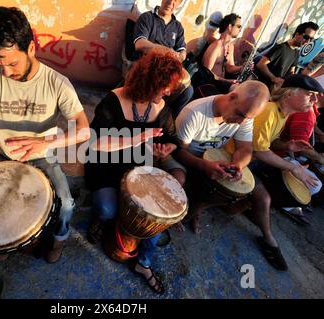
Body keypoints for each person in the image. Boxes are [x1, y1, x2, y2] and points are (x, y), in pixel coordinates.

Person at [0, 7, 90, 263]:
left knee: (66, 204)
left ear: (31, 47)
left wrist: (45, 141)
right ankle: (5, 243)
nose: (6, 72)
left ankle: (58, 242)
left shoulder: (56, 82)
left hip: (43, 157)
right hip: (5, 155)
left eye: (12, 63)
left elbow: (83, 128)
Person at [84, 49, 186, 294]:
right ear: (150, 83)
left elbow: (172, 138)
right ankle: (105, 220)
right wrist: (137, 138)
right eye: (165, 87)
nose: (169, 92)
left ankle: (144, 263)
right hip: (105, 165)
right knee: (107, 210)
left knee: (155, 215)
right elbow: (95, 142)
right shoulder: (114, 100)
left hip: (139, 168)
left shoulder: (160, 107)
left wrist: (166, 148)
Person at [175, 81, 290, 271]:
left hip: (216, 160)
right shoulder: (195, 113)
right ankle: (194, 207)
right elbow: (178, 152)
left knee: (258, 195)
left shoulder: (245, 115)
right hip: (191, 160)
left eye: (246, 118)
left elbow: (245, 148)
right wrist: (204, 165)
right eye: (240, 115)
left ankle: (198, 207)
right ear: (232, 97)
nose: (241, 122)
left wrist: (238, 164)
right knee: (194, 181)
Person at [250, 74, 323, 225]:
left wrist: (287, 145)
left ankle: (250, 204)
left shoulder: (282, 114)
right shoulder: (270, 111)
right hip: (246, 161)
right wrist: (293, 167)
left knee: (309, 183)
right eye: (310, 95)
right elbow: (258, 150)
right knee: (265, 199)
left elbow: (270, 142)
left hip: (254, 161)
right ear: (289, 93)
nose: (315, 100)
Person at [133, 0, 193, 117]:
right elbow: (139, 44)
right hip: (148, 66)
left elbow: (182, 51)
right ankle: (145, 116)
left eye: (176, 1)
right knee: (157, 84)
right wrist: (167, 51)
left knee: (187, 91)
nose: (171, 2)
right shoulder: (147, 18)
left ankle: (166, 120)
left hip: (167, 70)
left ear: (179, 4)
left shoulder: (178, 27)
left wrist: (179, 56)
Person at [256, 22, 319, 91]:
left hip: (272, 91)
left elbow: (291, 72)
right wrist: (273, 78)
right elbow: (261, 64)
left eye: (311, 39)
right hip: (260, 87)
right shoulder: (281, 48)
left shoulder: (296, 53)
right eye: (306, 37)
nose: (308, 41)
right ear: (297, 34)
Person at [201, 13, 244, 85]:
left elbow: (229, 67)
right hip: (211, 84)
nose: (240, 30)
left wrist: (241, 67)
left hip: (221, 83)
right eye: (239, 26)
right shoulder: (216, 46)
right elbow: (207, 73)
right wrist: (227, 81)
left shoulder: (230, 46)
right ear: (230, 27)